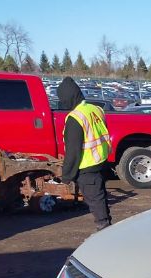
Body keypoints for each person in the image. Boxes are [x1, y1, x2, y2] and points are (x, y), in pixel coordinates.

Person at [58, 77, 113, 231]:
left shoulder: (75, 118)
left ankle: (105, 233)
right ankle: (107, 229)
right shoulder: (96, 109)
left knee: (96, 204)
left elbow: (73, 151)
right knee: (101, 200)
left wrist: (67, 176)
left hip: (87, 167)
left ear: (68, 97)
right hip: (101, 162)